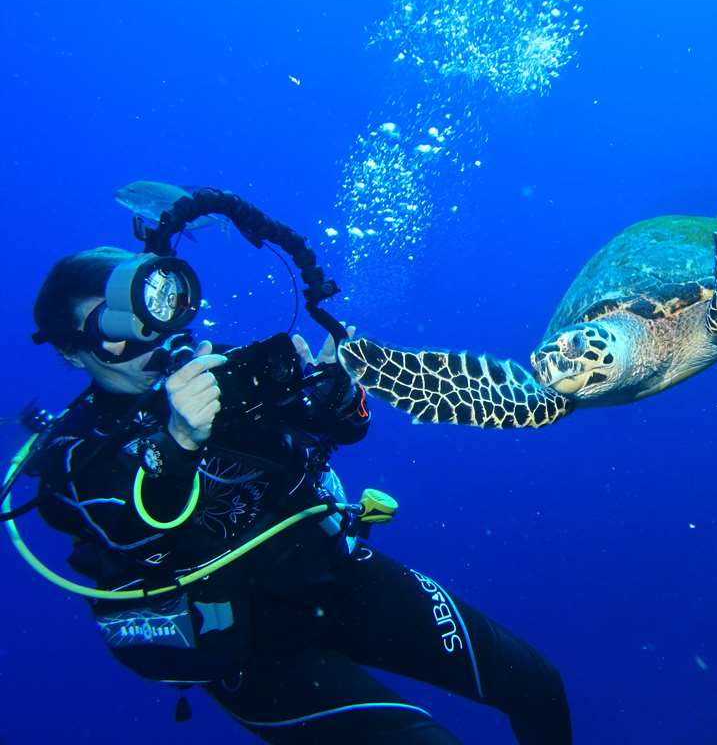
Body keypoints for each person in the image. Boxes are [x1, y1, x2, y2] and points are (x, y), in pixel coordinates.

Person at [24, 245, 571, 744]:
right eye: (113, 324)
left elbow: (342, 428)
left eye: (149, 306)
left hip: (341, 573)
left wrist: (340, 387)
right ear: (74, 353)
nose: (143, 335)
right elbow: (138, 532)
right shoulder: (76, 453)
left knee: (537, 684)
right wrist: (180, 441)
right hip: (255, 648)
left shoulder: (223, 367)